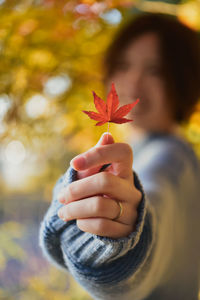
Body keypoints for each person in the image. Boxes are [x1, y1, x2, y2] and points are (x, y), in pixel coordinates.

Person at [39, 13, 200, 299]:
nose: (134, 83)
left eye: (156, 71)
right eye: (124, 65)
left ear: (184, 81)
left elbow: (156, 201)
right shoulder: (176, 156)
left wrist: (129, 237)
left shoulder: (171, 161)